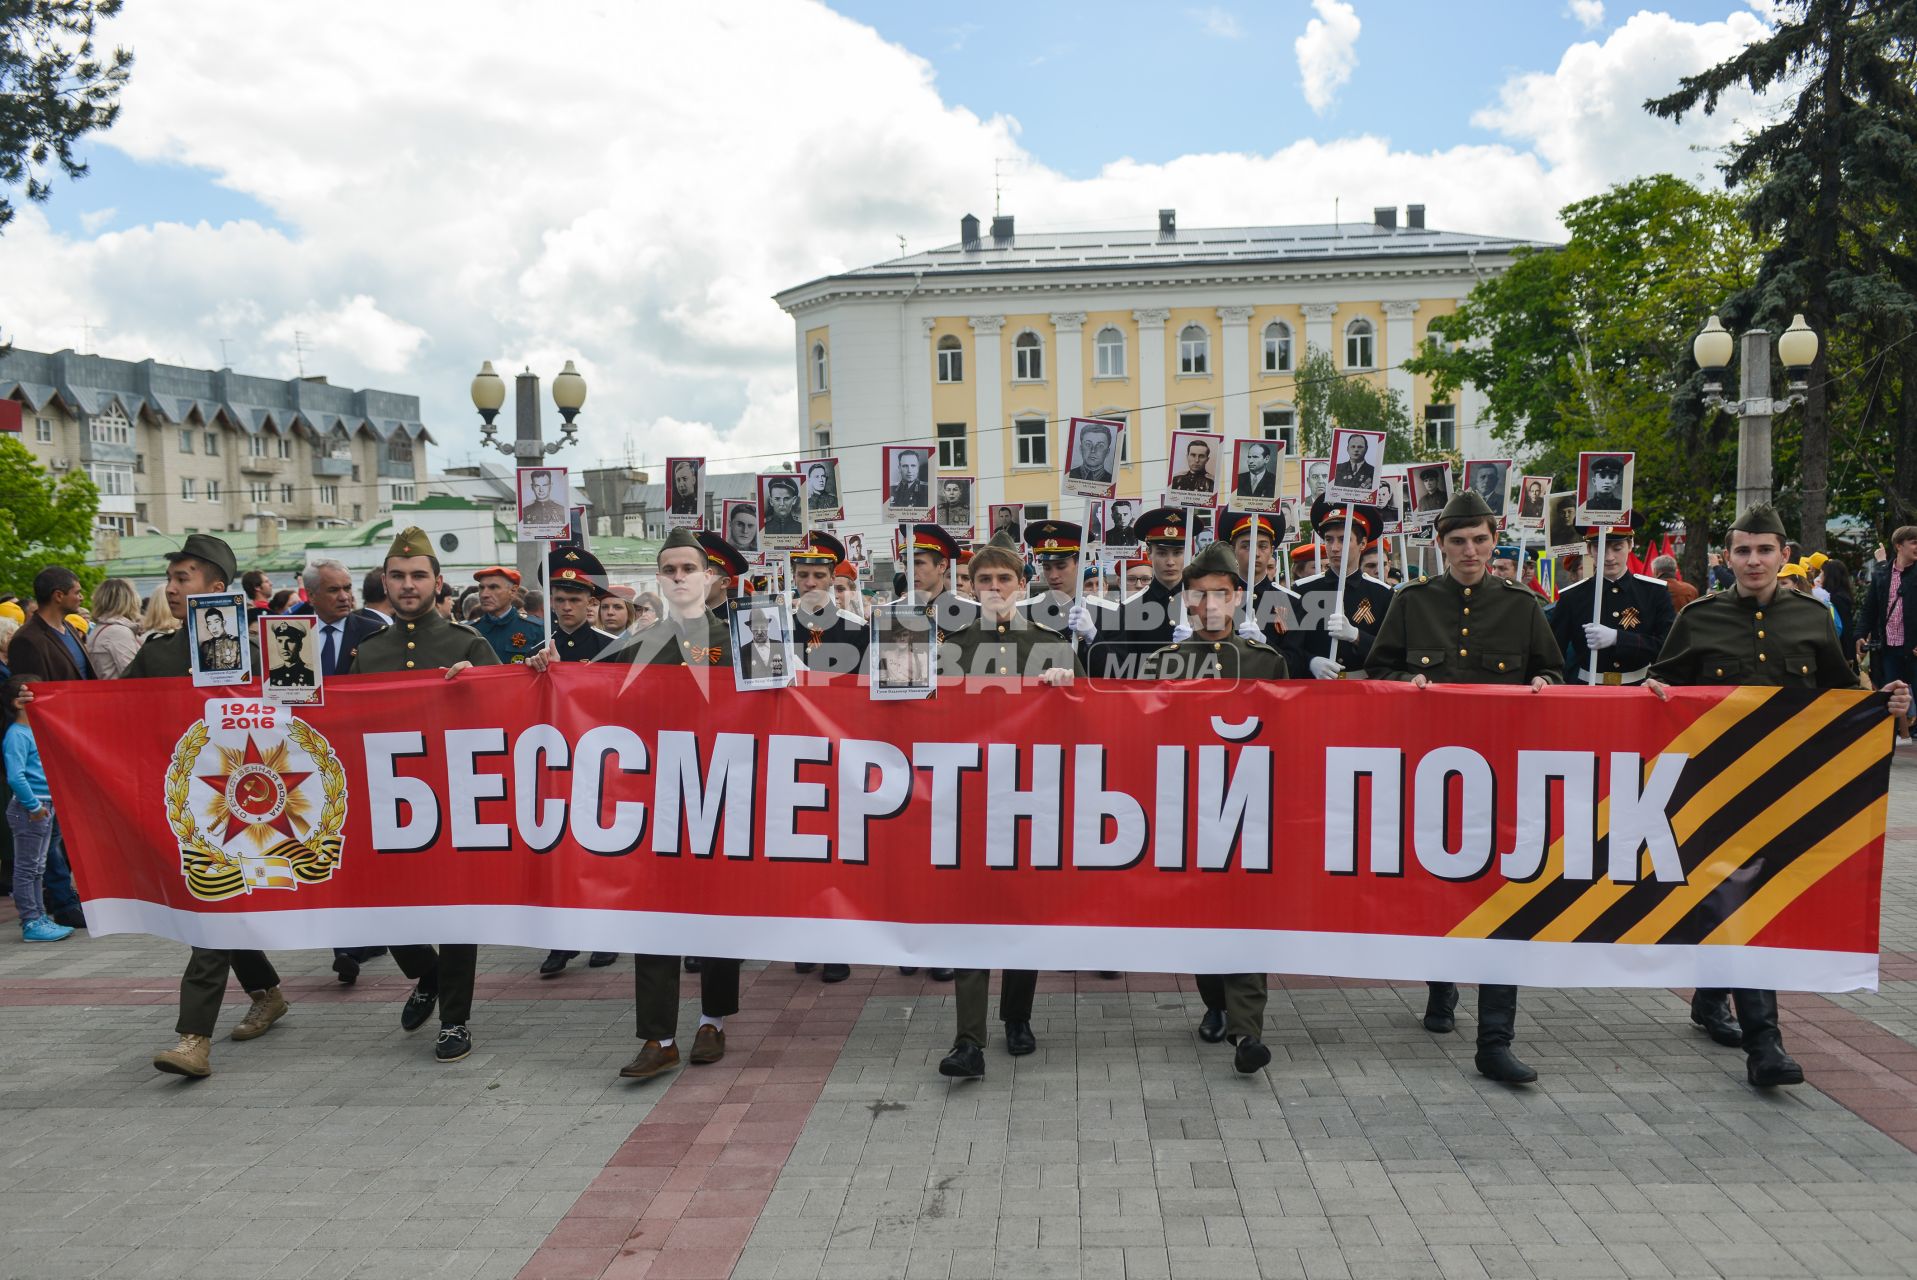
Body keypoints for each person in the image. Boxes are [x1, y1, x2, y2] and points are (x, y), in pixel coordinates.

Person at [1647, 505, 1910, 1086]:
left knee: (1749, 900)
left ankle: (1711, 996)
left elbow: (1842, 696)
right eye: (1743, 551)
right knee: (1745, 900)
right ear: (1727, 558)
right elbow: (1659, 685)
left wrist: (1884, 705)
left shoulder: (1811, 620)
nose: (1754, 561)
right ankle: (1765, 1046)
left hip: (1790, 792)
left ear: (1784, 555)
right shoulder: (1699, 617)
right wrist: (1652, 688)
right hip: (1715, 791)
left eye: (1765, 550)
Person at [1367, 490, 1562, 1085]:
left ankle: (1495, 1039)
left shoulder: (1523, 605)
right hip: (1431, 772)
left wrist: (1544, 685)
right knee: (1439, 890)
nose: (1470, 551)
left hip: (1504, 772)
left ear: (1493, 537)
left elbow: (1552, 669)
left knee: (1506, 898)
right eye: (1458, 542)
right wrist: (1409, 680)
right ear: (1440, 545)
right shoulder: (1413, 602)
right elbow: (1378, 670)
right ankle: (1440, 983)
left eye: (1479, 540)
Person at [122, 536, 291, 1078]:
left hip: (254, 802)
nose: (170, 589)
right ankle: (267, 991)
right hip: (185, 803)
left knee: (210, 909)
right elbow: (107, 711)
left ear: (217, 589)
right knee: (218, 907)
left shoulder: (267, 652)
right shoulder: (157, 652)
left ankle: (194, 1038)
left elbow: (313, 717)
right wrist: (43, 703)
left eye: (184, 578)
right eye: (169, 578)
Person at [589, 528, 745, 1081]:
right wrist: (548, 670)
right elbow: (591, 702)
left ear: (709, 578)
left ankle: (713, 1021)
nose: (678, 577)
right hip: (654, 797)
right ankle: (657, 1037)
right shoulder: (638, 642)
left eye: (688, 568)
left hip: (721, 792)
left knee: (716, 914)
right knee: (653, 917)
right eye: (669, 569)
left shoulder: (742, 637)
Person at [345, 528, 500, 1063]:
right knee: (384, 906)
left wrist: (481, 683)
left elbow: (506, 718)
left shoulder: (467, 643)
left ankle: (455, 1020)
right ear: (384, 582)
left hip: (455, 797)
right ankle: (427, 974)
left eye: (417, 576)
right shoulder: (366, 652)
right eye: (397, 576)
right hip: (389, 801)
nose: (407, 585)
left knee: (457, 914)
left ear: (438, 582)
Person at [1138, 541, 1286, 1073]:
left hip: (1250, 811)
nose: (1210, 606)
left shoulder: (1266, 661)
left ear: (1239, 596)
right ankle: (1215, 1003)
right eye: (1198, 597)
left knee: (1244, 918)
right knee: (1201, 919)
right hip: (1188, 810)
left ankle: (1248, 1033)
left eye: (1220, 594)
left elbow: (1290, 736)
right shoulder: (1164, 664)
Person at [935, 537, 1077, 1082]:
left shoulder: (1053, 645)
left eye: (1004, 580)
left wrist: (1069, 684)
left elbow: (1088, 726)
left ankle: (1017, 1016)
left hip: (1030, 798)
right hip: (969, 797)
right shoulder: (950, 646)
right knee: (970, 918)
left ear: (1023, 585)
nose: (994, 589)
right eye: (984, 581)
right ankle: (967, 1038)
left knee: (1022, 913)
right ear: (969, 586)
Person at [534, 545, 621, 978]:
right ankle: (561, 940)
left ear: (592, 603)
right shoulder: (535, 652)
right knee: (557, 853)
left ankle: (605, 934)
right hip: (551, 768)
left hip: (599, 765)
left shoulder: (614, 649)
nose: (566, 607)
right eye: (559, 598)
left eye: (575, 599)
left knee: (601, 853)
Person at [1549, 513, 1674, 686]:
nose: (1609, 557)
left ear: (1630, 545)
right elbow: (1553, 655)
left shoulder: (1654, 592)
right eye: (1600, 547)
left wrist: (1618, 638)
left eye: (1617, 548)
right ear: (1589, 550)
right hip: (1589, 691)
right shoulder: (1572, 597)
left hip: (1639, 689)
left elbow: (1668, 647)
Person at [1285, 498, 1392, 680]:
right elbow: (1287, 649)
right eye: (1329, 539)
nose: (1334, 548)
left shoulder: (1383, 593)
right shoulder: (1301, 590)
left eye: (1343, 539)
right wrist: (1310, 662)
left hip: (1364, 690)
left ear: (1363, 544)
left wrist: (1357, 636)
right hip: (1314, 690)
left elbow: (1394, 652)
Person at [5, 676, 75, 942]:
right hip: (32, 808)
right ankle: (32, 921)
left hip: (44, 805)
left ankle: (38, 916)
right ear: (18, 702)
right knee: (28, 867)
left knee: (37, 866)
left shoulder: (33, 732)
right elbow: (16, 776)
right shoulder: (17, 735)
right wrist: (33, 806)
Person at [1085, 508, 1187, 678]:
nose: (1170, 562)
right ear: (1149, 553)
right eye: (1162, 553)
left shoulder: (1203, 601)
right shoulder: (1130, 609)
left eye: (1177, 553)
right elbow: (1121, 669)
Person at [1016, 518, 1114, 662]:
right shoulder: (1024, 612)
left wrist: (1092, 637)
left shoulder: (1109, 612)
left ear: (1079, 564)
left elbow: (1118, 673)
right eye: (1047, 567)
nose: (1053, 576)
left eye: (1061, 566)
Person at [9, 566, 91, 682]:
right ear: (58, 596)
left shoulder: (69, 627)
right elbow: (33, 692)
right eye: (77, 593)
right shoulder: (26, 639)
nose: (81, 598)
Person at [468, 565, 545, 665]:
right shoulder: (470, 631)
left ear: (513, 591)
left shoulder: (535, 629)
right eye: (481, 588)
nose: (484, 594)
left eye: (493, 587)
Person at [83, 577, 142, 680]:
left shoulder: (101, 628)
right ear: (128, 600)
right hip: (120, 694)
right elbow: (133, 674)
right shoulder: (118, 632)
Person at [266, 621, 316, 690]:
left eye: (290, 641)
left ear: (300, 645)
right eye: (280, 641)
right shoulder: (271, 674)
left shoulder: (312, 674)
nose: (284, 646)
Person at [195, 604, 243, 673]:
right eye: (209, 623)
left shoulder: (237, 642)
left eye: (216, 622)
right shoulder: (205, 646)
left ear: (223, 623)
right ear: (207, 627)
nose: (213, 627)